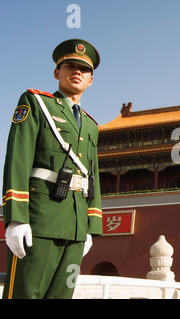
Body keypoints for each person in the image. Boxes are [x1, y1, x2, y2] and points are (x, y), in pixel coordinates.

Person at [2, 39, 103, 299]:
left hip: (76, 225)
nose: (77, 72)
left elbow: (92, 177)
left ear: (91, 79)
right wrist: (16, 217)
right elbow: (18, 157)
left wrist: (90, 226)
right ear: (57, 72)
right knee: (27, 294)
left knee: (61, 296)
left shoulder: (91, 125)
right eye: (70, 66)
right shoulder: (37, 103)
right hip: (41, 219)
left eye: (84, 69)